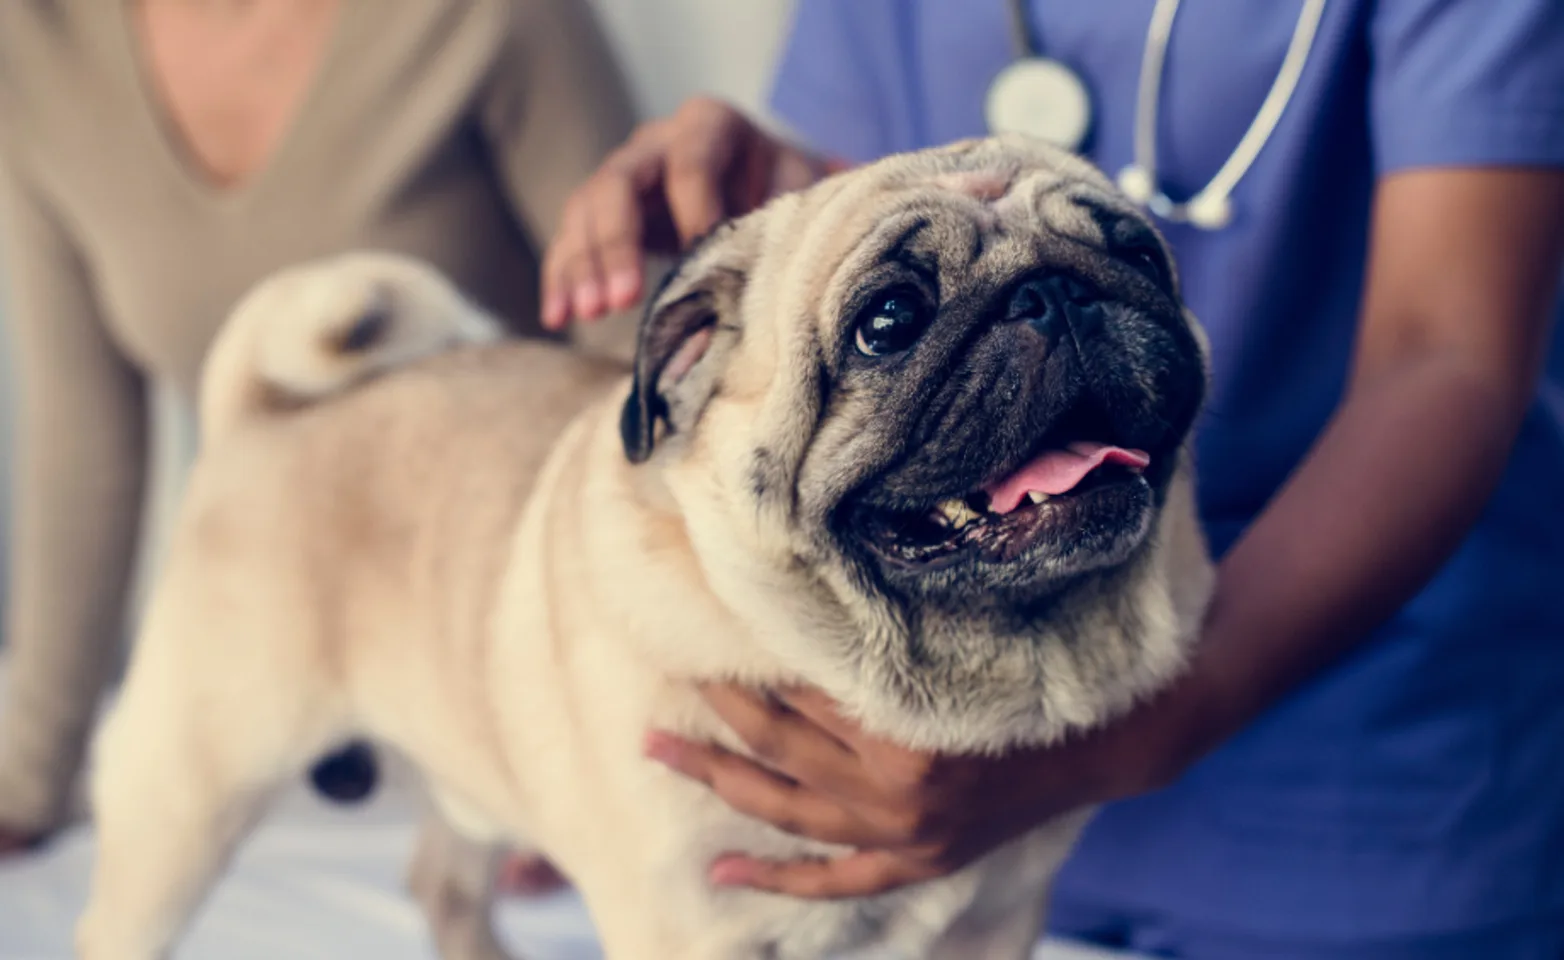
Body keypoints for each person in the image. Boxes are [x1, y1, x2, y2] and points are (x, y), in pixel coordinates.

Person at [542, 1, 1564, 956]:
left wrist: (1113, 747)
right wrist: (782, 202)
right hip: (917, 815)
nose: (1043, 321)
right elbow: (889, 216)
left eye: (1109, 253)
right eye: (895, 317)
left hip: (1363, 806)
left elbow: (1447, 351)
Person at [0, 0, 634, 888]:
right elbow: (84, 440)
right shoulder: (32, 47)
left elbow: (639, 357)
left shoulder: (499, 17)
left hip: (522, 658)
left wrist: (615, 732)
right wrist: (31, 776)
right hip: (273, 634)